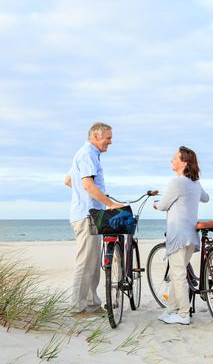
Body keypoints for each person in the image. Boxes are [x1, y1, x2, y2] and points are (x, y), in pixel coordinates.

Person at [64, 122, 124, 315]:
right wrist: (109, 204)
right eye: (108, 138)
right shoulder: (87, 154)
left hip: (91, 214)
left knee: (93, 262)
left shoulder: (88, 154)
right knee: (85, 261)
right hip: (86, 215)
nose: (111, 142)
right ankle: (78, 307)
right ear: (96, 136)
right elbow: (88, 185)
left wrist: (93, 196)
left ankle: (91, 304)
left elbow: (68, 181)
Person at [153, 146, 209, 325]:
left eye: (174, 158)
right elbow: (206, 198)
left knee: (178, 275)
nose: (171, 161)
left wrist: (155, 204)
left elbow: (162, 205)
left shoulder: (177, 182)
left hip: (178, 235)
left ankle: (184, 314)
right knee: (179, 273)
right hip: (191, 235)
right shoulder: (195, 183)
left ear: (183, 162)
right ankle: (170, 310)